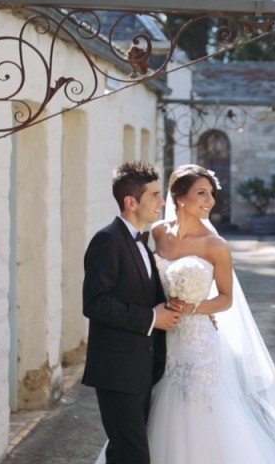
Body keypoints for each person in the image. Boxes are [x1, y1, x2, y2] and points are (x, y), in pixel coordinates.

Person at [146, 164, 275, 463]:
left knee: (201, 408)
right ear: (180, 198)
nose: (210, 200)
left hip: (199, 343)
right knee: (163, 404)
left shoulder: (216, 246)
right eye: (201, 193)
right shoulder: (157, 233)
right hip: (163, 337)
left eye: (211, 193)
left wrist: (195, 308)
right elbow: (146, 280)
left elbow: (225, 299)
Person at [83, 161, 184, 464]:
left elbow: (140, 295)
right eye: (154, 195)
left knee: (122, 454)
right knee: (134, 456)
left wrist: (173, 306)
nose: (161, 201)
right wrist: (153, 318)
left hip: (141, 370)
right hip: (117, 372)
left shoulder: (141, 242)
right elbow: (95, 303)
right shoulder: (107, 241)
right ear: (131, 202)